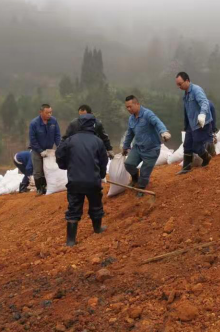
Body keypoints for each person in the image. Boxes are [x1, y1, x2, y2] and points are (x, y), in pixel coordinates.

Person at [56, 114, 109, 247]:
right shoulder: (98, 141)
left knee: (73, 209)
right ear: (93, 125)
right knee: (96, 205)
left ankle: (70, 241)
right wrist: (101, 175)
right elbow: (104, 161)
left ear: (80, 124)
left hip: (75, 181)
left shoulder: (70, 140)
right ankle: (97, 229)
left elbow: (59, 154)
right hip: (93, 181)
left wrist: (65, 166)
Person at [122, 96, 171, 193]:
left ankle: (141, 188)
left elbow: (157, 123)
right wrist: (125, 146)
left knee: (144, 172)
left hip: (151, 149)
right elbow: (130, 134)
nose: (128, 109)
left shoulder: (147, 114)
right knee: (128, 164)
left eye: (130, 106)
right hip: (138, 147)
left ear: (137, 104)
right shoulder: (131, 118)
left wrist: (164, 132)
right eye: (127, 107)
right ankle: (135, 178)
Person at [175, 72, 214, 174]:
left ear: (187, 81)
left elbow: (204, 102)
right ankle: (186, 168)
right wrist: (186, 125)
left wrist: (202, 115)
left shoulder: (196, 90)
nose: (179, 86)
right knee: (187, 145)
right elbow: (187, 111)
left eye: (180, 84)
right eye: (177, 85)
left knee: (196, 146)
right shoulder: (186, 94)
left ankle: (206, 157)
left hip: (201, 123)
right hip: (191, 124)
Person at [29, 104, 62, 196]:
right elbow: (32, 140)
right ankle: (40, 188)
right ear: (41, 112)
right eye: (47, 113)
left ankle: (47, 187)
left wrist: (60, 147)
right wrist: (40, 151)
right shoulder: (34, 123)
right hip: (37, 150)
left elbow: (57, 136)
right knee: (38, 170)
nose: (49, 114)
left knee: (48, 169)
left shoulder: (53, 121)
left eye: (50, 112)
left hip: (49, 150)